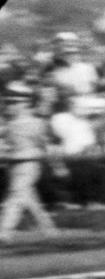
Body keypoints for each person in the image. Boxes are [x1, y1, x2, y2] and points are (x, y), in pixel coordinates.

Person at [0, 82, 61, 244]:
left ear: (25, 104)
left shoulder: (36, 123)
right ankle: (50, 230)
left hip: (29, 164)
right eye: (8, 102)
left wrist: (57, 166)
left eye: (13, 102)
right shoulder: (8, 124)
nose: (9, 106)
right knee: (30, 200)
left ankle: (4, 232)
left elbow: (48, 145)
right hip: (13, 165)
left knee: (15, 197)